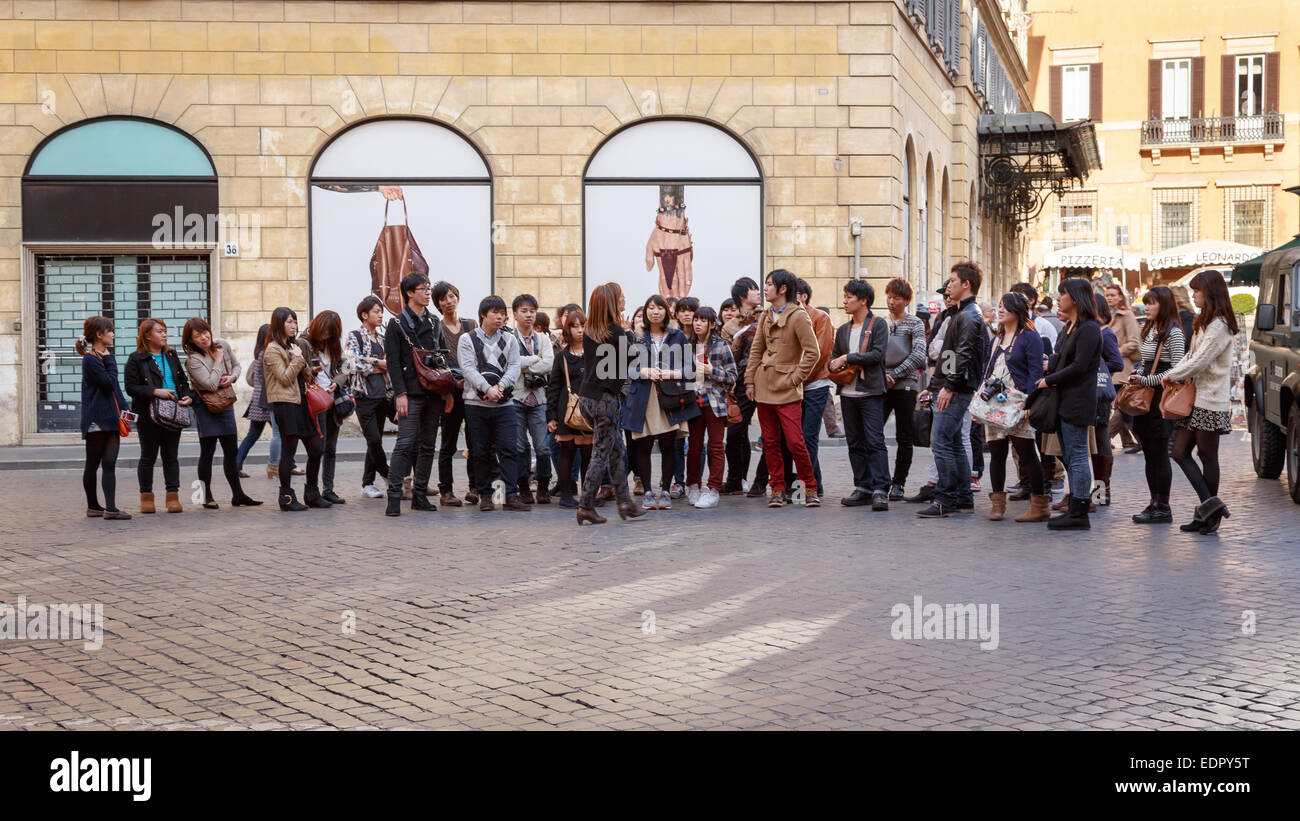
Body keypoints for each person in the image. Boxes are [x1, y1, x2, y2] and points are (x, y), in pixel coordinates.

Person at [1164, 269, 1239, 534]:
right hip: (1195, 399)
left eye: (1197, 290)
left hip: (1210, 400)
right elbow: (1189, 358)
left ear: (1210, 293)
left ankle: (1209, 515)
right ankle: (1210, 508)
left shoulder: (1220, 326)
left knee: (1207, 455)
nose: (1194, 295)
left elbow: (1199, 362)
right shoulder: (1205, 323)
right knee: (1180, 453)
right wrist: (1169, 376)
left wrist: (1171, 375)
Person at [744, 269, 821, 508]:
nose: (765, 289)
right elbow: (756, 349)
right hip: (764, 386)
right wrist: (749, 381)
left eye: (769, 284)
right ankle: (776, 489)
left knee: (796, 442)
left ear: (783, 288)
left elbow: (813, 352)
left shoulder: (798, 315)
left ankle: (809, 488)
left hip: (787, 389)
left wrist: (796, 378)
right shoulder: (766, 314)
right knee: (770, 442)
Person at [916, 263, 986, 517]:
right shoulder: (961, 314)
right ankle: (962, 497)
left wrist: (948, 386)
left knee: (941, 442)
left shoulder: (969, 316)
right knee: (953, 442)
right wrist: (937, 386)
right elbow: (949, 355)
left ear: (966, 284)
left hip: (957, 388)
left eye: (953, 281)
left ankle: (945, 499)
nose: (948, 285)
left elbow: (963, 355)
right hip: (954, 386)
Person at [576, 283, 646, 524]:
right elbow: (634, 356)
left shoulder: (590, 330)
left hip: (588, 398)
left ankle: (625, 502)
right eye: (621, 297)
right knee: (600, 454)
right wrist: (628, 332)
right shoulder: (615, 331)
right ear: (611, 303)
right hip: (605, 399)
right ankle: (585, 505)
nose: (624, 300)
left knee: (617, 451)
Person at [1037, 278, 1103, 530]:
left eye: (1062, 294)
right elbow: (1061, 359)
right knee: (1068, 455)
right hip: (1062, 400)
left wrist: (1048, 380)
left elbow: (1080, 366)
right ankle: (1075, 506)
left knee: (1076, 457)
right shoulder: (1069, 327)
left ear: (1074, 297)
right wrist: (1050, 365)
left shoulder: (1088, 328)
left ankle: (1080, 511)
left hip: (1078, 401)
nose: (1058, 298)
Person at [622, 294, 698, 510]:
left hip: (670, 397)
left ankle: (665, 490)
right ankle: (647, 491)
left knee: (668, 445)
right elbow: (622, 368)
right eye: (651, 308)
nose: (655, 312)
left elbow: (690, 369)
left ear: (667, 311)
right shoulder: (635, 337)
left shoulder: (677, 336)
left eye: (659, 308)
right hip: (642, 398)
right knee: (643, 445)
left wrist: (672, 373)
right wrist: (642, 371)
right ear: (645, 311)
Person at [459, 295, 531, 513]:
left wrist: (499, 388)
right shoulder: (467, 339)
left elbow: (514, 366)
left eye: (502, 313)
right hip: (475, 404)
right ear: (483, 315)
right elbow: (468, 368)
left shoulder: (509, 339)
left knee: (509, 449)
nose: (500, 317)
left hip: (504, 403)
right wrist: (486, 389)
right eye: (495, 313)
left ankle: (511, 495)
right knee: (480, 451)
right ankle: (485, 495)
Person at [981, 293, 1047, 522]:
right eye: (998, 306)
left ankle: (1039, 504)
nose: (999, 311)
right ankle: (998, 504)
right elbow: (986, 371)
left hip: (1018, 403)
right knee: (996, 453)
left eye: (1004, 307)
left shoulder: (1030, 338)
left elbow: (1035, 374)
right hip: (994, 405)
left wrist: (1027, 402)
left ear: (1017, 311)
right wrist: (980, 402)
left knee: (1027, 453)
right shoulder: (996, 338)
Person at [384, 274, 445, 516]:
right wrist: (400, 394)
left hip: (433, 392)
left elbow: (442, 358)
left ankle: (420, 494)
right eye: (423, 289)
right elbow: (393, 363)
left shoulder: (434, 322)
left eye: (429, 288)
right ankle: (394, 496)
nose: (428, 293)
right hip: (410, 392)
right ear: (410, 293)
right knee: (405, 444)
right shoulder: (396, 324)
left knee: (428, 445)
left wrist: (446, 391)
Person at [183, 317, 260, 509]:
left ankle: (238, 495)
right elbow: (209, 383)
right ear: (191, 340)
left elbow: (236, 366)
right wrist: (217, 361)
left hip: (224, 403)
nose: (203, 337)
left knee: (231, 452)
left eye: (205, 332)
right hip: (206, 407)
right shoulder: (193, 360)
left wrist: (233, 377)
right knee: (207, 453)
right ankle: (205, 495)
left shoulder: (222, 345)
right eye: (197, 336)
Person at [1127, 286, 1186, 524]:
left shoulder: (1174, 333)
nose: (1146, 307)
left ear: (1164, 304)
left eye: (1151, 303)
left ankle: (1163, 505)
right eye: (1146, 303)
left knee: (1160, 453)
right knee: (1149, 454)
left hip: (1161, 398)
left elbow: (1178, 370)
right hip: (1147, 397)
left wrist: (1146, 380)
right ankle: (1154, 502)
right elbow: (1146, 361)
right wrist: (1137, 373)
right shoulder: (1150, 329)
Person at [830, 279, 890, 510]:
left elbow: (877, 355)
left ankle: (880, 489)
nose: (844, 301)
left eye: (849, 297)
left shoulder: (878, 324)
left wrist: (848, 358)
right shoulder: (843, 330)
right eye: (844, 296)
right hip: (847, 393)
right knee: (854, 442)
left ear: (863, 300)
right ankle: (863, 487)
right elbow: (835, 355)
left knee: (874, 441)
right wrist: (833, 365)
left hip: (871, 392)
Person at [124, 318, 193, 514]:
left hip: (173, 412)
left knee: (171, 456)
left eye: (165, 331)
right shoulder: (136, 358)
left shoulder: (170, 355)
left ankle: (173, 497)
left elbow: (183, 382)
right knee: (148, 456)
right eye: (159, 331)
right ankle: (146, 497)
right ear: (147, 335)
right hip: (149, 414)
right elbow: (130, 387)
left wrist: (187, 397)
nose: (164, 334)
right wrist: (155, 391)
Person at [262, 307, 324, 512]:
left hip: (300, 403)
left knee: (316, 448)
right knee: (289, 452)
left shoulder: (292, 346)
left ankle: (312, 493)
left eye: (295, 322)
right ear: (279, 324)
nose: (294, 326)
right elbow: (285, 377)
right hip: (285, 404)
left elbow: (305, 375)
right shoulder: (272, 349)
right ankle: (286, 497)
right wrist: (297, 359)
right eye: (289, 322)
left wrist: (302, 359)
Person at [78, 316, 131, 519]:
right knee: (93, 463)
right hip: (97, 420)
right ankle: (94, 506)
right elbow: (109, 383)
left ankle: (110, 508)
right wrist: (109, 360)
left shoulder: (103, 357)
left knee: (109, 463)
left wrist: (126, 413)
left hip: (111, 418)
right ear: (99, 334)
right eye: (110, 331)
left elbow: (115, 390)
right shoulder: (91, 359)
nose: (113, 334)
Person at [881, 277, 928, 500]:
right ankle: (878, 479)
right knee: (872, 433)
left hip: (906, 386)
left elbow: (919, 355)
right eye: (889, 297)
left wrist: (895, 374)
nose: (891, 302)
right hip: (881, 384)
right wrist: (883, 376)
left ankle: (898, 483)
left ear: (906, 300)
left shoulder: (915, 323)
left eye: (896, 298)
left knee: (904, 435)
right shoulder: (881, 323)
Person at [433, 280, 479, 506]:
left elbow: (479, 356)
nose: (449, 301)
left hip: (472, 391)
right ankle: (446, 491)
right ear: (438, 304)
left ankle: (475, 488)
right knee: (448, 444)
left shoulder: (471, 325)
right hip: (450, 393)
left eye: (452, 296)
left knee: (475, 442)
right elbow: (437, 363)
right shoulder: (436, 328)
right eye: (444, 298)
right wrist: (451, 384)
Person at [685, 306, 737, 509]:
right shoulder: (687, 345)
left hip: (714, 402)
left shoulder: (721, 345)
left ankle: (713, 488)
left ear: (712, 324)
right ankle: (693, 485)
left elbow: (733, 376)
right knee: (694, 447)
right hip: (692, 401)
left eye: (702, 320)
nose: (697, 323)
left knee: (716, 446)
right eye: (696, 319)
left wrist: (712, 370)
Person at [298, 310, 350, 505]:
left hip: (333, 401)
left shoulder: (333, 345)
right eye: (324, 332)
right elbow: (298, 369)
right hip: (315, 401)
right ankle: (313, 491)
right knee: (318, 448)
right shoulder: (304, 343)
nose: (326, 336)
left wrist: (337, 381)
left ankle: (329, 489)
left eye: (330, 333)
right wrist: (312, 371)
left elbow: (347, 366)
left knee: (331, 448)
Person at [345, 296, 391, 500]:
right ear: (364, 315)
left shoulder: (382, 339)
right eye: (376, 311)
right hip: (363, 396)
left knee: (376, 440)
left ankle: (368, 483)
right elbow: (354, 363)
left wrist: (379, 365)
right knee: (372, 439)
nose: (380, 315)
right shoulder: (354, 335)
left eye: (381, 311)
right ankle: (389, 475)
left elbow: (389, 365)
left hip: (382, 395)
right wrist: (378, 364)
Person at [547, 308, 592, 509]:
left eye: (583, 326)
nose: (580, 330)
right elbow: (553, 388)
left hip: (590, 410)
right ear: (568, 329)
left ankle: (588, 494)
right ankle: (566, 495)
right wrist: (551, 417)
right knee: (567, 451)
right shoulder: (562, 356)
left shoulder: (595, 353)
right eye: (575, 326)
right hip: (567, 410)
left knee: (589, 453)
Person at [511, 294, 554, 504]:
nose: (529, 315)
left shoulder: (543, 339)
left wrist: (522, 365)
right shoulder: (509, 338)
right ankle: (524, 487)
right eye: (524, 311)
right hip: (516, 397)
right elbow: (509, 363)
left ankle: (544, 486)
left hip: (539, 398)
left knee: (543, 447)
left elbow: (548, 364)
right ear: (515, 314)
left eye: (532, 311)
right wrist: (534, 360)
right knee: (519, 447)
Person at [721, 277, 761, 494]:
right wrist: (737, 342)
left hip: (766, 381)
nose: (758, 292)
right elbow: (728, 360)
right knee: (736, 431)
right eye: (753, 289)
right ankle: (736, 479)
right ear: (742, 296)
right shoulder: (730, 326)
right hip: (741, 384)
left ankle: (763, 482)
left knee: (773, 436)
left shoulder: (767, 316)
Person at [234, 324, 289, 480]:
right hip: (266, 401)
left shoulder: (260, 353)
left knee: (255, 435)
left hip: (259, 401)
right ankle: (280, 466)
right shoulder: (267, 353)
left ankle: (236, 465)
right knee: (281, 434)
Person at [1104, 284, 1143, 455]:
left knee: (1122, 405)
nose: (1109, 298)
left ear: (1120, 297)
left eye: (1113, 295)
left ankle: (1104, 439)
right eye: (1107, 295)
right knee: (1119, 405)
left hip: (1122, 366)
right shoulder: (1106, 316)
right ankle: (1129, 440)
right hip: (1109, 366)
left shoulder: (1126, 315)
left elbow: (1135, 341)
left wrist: (1115, 351)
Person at [667, 297, 700, 495]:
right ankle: (678, 481)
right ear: (676, 314)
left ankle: (694, 482)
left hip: (700, 392)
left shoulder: (703, 336)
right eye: (683, 310)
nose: (687, 314)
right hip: (678, 391)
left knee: (698, 442)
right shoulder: (672, 336)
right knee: (677, 440)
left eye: (691, 310)